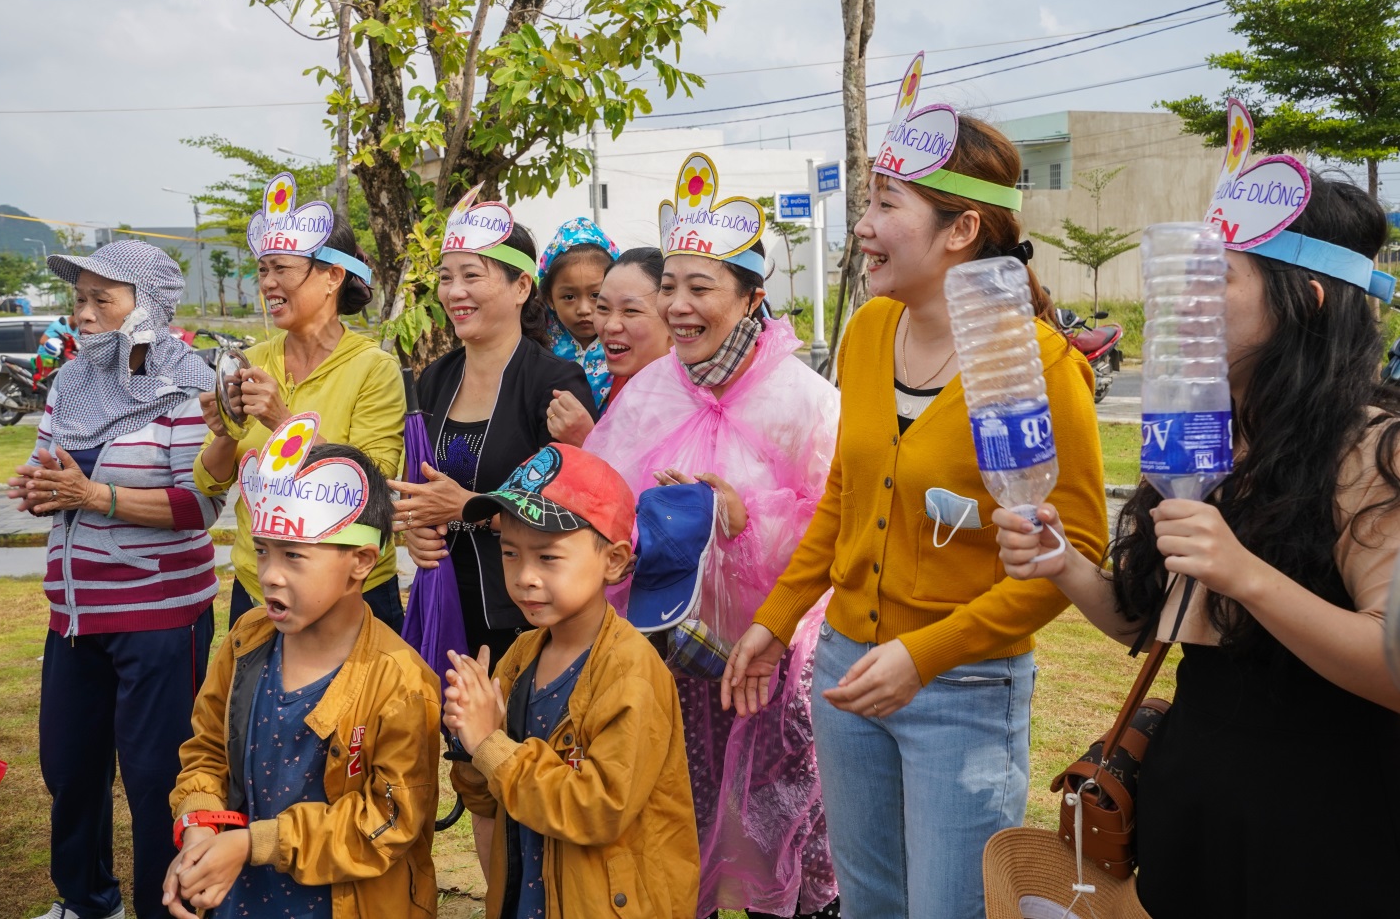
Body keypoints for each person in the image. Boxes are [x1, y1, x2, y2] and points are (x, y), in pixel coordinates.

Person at [725, 55, 1108, 919]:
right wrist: (775, 619)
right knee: (869, 904)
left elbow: (1072, 554)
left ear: (960, 230)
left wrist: (924, 656)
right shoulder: (868, 330)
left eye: (884, 206)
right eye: (867, 203)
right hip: (846, 673)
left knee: (948, 909)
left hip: (964, 691)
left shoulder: (1038, 366)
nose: (863, 226)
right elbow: (844, 500)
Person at [994, 122, 1400, 917]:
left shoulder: (1372, 451)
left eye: (1214, 278)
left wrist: (1245, 572)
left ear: (1304, 301)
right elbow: (1161, 627)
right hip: (1189, 823)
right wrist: (1064, 565)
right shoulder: (1207, 441)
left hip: (1328, 837)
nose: (1182, 298)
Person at [585, 152, 841, 919]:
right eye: (670, 287)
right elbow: (601, 501)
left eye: (701, 288)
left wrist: (746, 517)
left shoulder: (805, 399)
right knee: (684, 827)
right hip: (677, 658)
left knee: (788, 831)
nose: (679, 306)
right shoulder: (651, 392)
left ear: (752, 297)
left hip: (776, 663)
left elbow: (840, 528)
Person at [7, 241, 224, 919]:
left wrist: (93, 495)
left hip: (160, 618)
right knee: (69, 769)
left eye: (105, 298)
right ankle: (85, 901)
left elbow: (200, 505)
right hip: (73, 615)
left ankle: (166, 907)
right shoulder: (70, 382)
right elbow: (52, 468)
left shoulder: (191, 384)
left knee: (160, 778)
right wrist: (40, 488)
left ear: (149, 306)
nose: (87, 313)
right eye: (80, 299)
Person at [166, 422, 441, 919]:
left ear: (360, 561)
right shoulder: (246, 640)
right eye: (264, 550)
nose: (270, 573)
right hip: (240, 899)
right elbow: (207, 750)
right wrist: (200, 827)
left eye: (294, 555)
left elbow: (388, 822)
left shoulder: (400, 682)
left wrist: (254, 844)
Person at [446, 443, 698, 919]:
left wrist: (490, 745)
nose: (524, 577)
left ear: (615, 560)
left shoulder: (630, 671)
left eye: (547, 558)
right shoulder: (520, 657)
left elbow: (598, 808)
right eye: (510, 554)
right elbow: (487, 794)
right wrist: (468, 736)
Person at [391, 187, 596, 666]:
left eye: (471, 276)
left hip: (526, 612)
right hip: (442, 603)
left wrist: (467, 508)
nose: (454, 292)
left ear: (521, 286)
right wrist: (415, 530)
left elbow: (572, 514)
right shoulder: (437, 377)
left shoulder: (554, 382)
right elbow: (420, 491)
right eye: (446, 278)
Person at [193, 172, 406, 632]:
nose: (267, 283)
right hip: (259, 585)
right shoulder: (250, 361)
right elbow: (209, 481)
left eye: (281, 268)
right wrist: (224, 431)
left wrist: (282, 421)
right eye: (263, 269)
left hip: (351, 592)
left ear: (332, 276)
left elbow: (375, 487)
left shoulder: (373, 368)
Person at [547, 247, 672, 446]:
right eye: (603, 308)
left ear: (672, 316)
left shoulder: (691, 402)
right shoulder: (625, 377)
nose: (610, 325)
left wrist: (587, 440)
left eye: (631, 310)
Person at [538, 216, 617, 409]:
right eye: (569, 297)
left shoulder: (627, 342)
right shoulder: (538, 343)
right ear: (550, 298)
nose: (583, 310)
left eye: (595, 295)